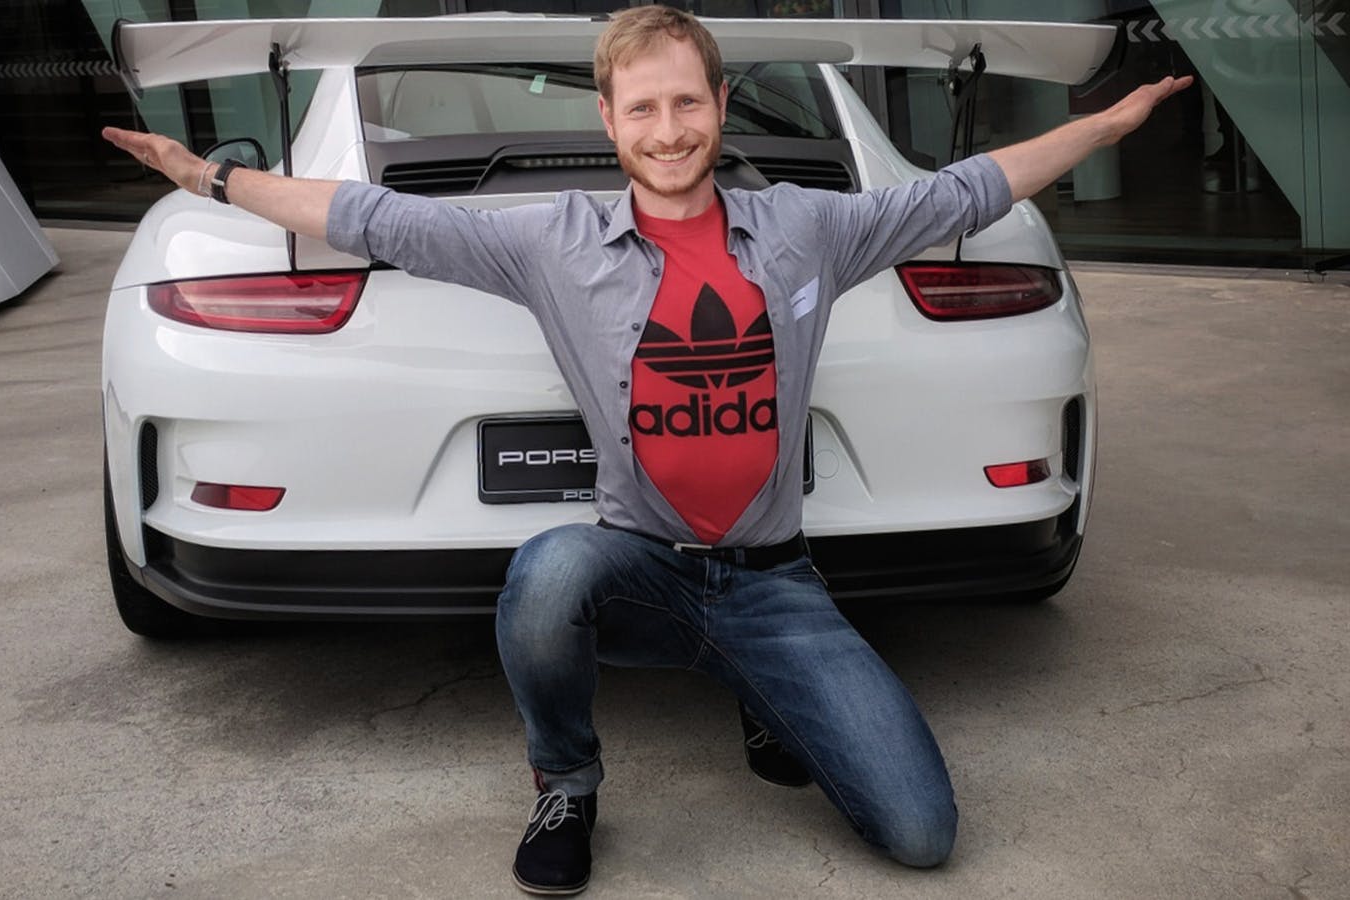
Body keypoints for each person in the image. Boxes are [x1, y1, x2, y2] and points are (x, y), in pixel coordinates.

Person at [104, 7, 1191, 895]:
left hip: (777, 584)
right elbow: (369, 217)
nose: (668, 130)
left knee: (921, 836)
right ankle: (568, 781)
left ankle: (765, 686)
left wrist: (1106, 127)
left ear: (720, 106)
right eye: (643, 109)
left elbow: (972, 188)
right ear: (611, 119)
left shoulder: (812, 228)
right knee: (549, 571)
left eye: (685, 103)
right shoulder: (553, 239)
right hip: (641, 569)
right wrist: (207, 178)